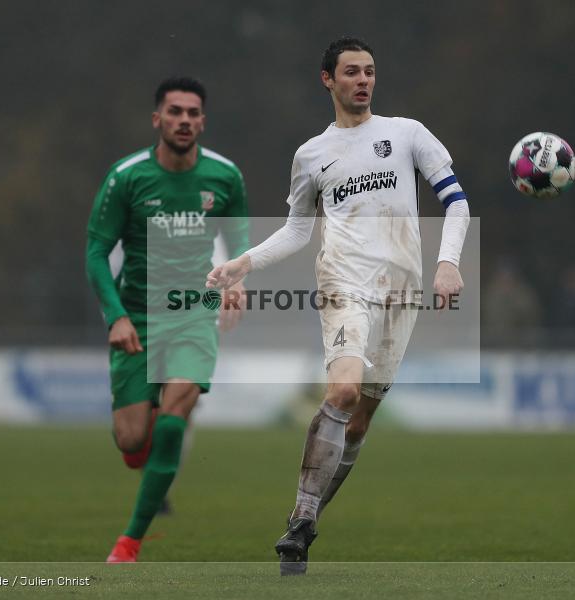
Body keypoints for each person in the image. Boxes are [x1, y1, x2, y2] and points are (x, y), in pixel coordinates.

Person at [206, 37, 471, 575]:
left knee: (359, 423)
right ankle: (303, 519)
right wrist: (243, 264)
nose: (363, 81)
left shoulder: (406, 133)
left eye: (370, 71)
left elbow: (456, 201)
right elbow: (298, 230)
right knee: (344, 390)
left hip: (403, 289)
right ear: (327, 79)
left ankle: (302, 520)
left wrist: (448, 262)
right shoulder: (312, 155)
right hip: (343, 280)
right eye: (351, 72)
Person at [86, 76, 249, 563]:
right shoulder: (127, 176)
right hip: (136, 315)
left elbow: (240, 237)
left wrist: (237, 278)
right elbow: (97, 251)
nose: (184, 120)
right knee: (133, 440)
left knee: (176, 420)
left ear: (203, 120)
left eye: (192, 112)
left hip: (192, 312)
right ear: (157, 118)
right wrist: (115, 316)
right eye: (174, 111)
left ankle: (129, 542)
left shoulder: (225, 176)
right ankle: (143, 444)